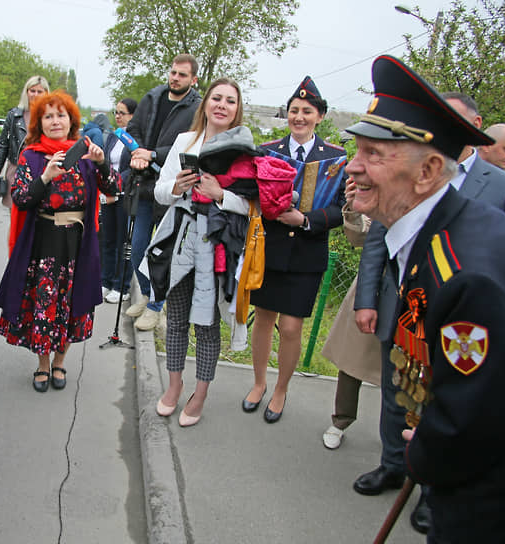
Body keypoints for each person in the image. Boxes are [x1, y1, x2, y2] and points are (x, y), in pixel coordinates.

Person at [346, 54, 505, 542]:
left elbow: (477, 417)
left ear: (427, 171)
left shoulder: (464, 274)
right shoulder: (433, 234)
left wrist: (424, 453)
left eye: (373, 154)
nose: (352, 167)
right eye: (355, 149)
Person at [0, 91, 117, 392]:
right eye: (48, 116)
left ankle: (61, 361)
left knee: (72, 304)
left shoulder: (86, 153)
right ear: (39, 122)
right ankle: (43, 364)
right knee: (44, 304)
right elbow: (21, 199)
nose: (55, 121)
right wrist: (45, 176)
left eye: (61, 115)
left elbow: (114, 188)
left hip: (79, 244)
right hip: (44, 245)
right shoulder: (32, 156)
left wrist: (101, 165)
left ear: (72, 120)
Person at [241, 76, 346, 424]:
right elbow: (250, 193)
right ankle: (258, 383)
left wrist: (304, 219)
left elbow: (342, 211)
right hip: (269, 251)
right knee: (264, 322)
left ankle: (281, 390)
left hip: (306, 254)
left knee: (290, 327)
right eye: (293, 110)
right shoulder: (269, 150)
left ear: (320, 115)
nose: (299, 116)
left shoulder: (336, 159)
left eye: (307, 111)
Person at [150, 78, 246, 426]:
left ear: (237, 109)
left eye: (230, 101)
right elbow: (160, 192)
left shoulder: (243, 149)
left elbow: (254, 205)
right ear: (205, 103)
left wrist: (220, 194)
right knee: (175, 321)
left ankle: (200, 394)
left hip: (220, 247)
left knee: (207, 324)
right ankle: (173, 387)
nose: (222, 105)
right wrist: (176, 186)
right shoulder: (184, 141)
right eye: (216, 98)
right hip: (181, 241)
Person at [124, 54, 201, 331]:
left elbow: (193, 144)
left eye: (182, 75)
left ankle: (156, 308)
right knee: (138, 249)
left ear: (193, 80)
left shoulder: (197, 108)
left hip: (173, 187)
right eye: (173, 72)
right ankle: (146, 295)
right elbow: (133, 129)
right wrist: (138, 153)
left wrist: (154, 153)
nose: (175, 78)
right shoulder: (152, 98)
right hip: (144, 184)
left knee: (163, 253)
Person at [319, 178, 381, 450]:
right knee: (353, 358)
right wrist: (354, 207)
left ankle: (400, 433)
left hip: (421, 290)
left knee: (407, 369)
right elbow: (360, 236)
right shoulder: (391, 186)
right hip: (377, 285)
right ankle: (341, 420)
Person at [0, 75, 49, 208]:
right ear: (26, 92)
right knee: (15, 213)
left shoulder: (50, 116)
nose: (35, 94)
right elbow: (3, 146)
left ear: (46, 93)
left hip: (41, 170)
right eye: (32, 90)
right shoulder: (14, 115)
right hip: (16, 169)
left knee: (38, 215)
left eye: (40, 91)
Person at [100, 98, 136, 304]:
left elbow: (132, 167)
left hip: (124, 196)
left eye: (122, 112)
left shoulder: (134, 138)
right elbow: (105, 162)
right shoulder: (113, 136)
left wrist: (116, 185)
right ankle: (106, 281)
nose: (118, 116)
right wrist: (105, 185)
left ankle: (121, 286)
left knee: (124, 242)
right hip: (108, 194)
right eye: (116, 112)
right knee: (108, 240)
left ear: (132, 115)